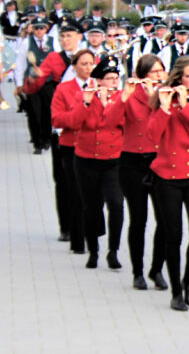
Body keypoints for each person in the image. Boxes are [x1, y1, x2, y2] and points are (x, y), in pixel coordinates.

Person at [146, 56, 189, 311]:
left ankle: (188, 280)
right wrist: (165, 108)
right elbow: (152, 136)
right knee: (172, 235)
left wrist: (187, 106)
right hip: (168, 177)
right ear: (178, 78)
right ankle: (175, 289)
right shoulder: (163, 99)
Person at [74, 54, 128, 270]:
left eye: (116, 78)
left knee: (116, 204)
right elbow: (75, 121)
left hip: (113, 159)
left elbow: (124, 122)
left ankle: (113, 251)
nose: (114, 82)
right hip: (87, 158)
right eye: (109, 78)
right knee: (91, 206)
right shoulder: (86, 96)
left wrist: (111, 104)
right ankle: (93, 250)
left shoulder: (123, 99)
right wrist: (87, 102)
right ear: (99, 80)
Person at [120, 54, 169, 291]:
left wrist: (159, 98)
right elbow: (111, 120)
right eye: (153, 73)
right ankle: (137, 271)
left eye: (161, 72)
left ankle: (157, 268)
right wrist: (124, 96)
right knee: (138, 219)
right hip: (132, 161)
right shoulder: (131, 97)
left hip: (159, 160)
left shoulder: (166, 97)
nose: (159, 77)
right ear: (142, 76)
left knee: (165, 220)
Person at [46, 21, 87, 252]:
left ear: (78, 37)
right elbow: (40, 80)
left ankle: (83, 226)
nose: (65, 40)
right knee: (63, 181)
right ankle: (67, 226)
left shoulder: (94, 61)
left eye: (69, 36)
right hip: (63, 130)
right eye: (62, 36)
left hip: (87, 134)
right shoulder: (54, 58)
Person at [14, 17, 54, 155]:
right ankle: (37, 143)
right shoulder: (26, 42)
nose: (39, 31)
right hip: (32, 83)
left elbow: (58, 62)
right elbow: (20, 64)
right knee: (34, 113)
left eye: (41, 28)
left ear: (46, 29)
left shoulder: (53, 41)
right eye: (36, 28)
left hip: (48, 83)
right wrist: (19, 84)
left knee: (47, 113)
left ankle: (47, 138)